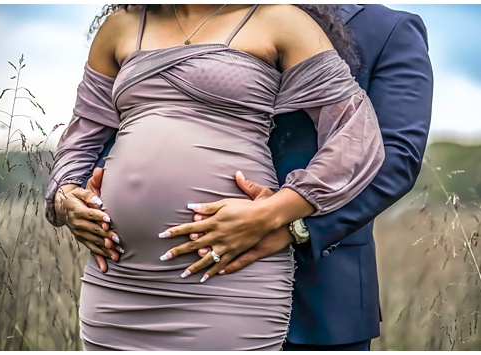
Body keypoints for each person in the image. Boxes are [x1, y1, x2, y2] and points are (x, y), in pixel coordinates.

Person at [44, 4, 384, 350]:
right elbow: (79, 139)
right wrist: (65, 198)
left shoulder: (279, 20)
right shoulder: (120, 28)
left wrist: (275, 212)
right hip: (118, 279)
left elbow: (355, 136)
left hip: (228, 276)